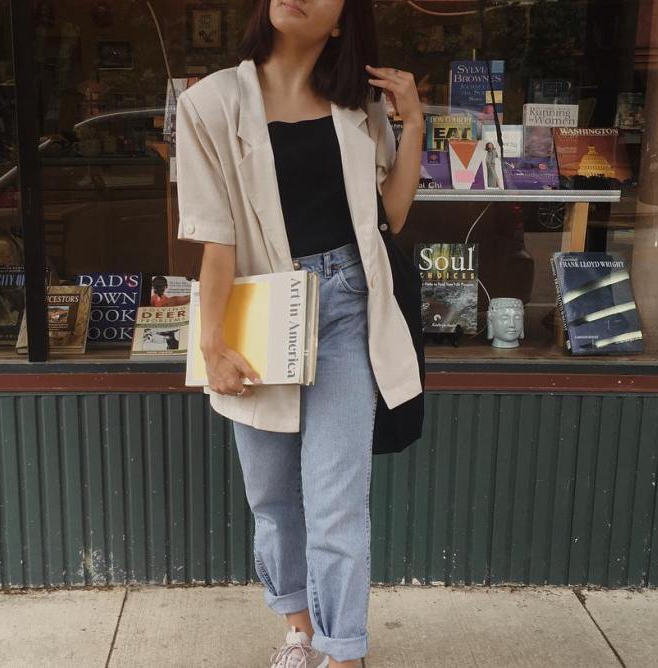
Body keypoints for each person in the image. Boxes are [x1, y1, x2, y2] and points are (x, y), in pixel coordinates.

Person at [175, 1, 423, 666]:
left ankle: (345, 652)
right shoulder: (210, 103)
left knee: (338, 499)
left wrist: (415, 124)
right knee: (273, 494)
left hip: (348, 306)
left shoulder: (357, 105)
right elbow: (216, 237)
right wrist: (212, 343)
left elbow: (388, 217)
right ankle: (299, 631)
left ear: (343, 21)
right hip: (261, 309)